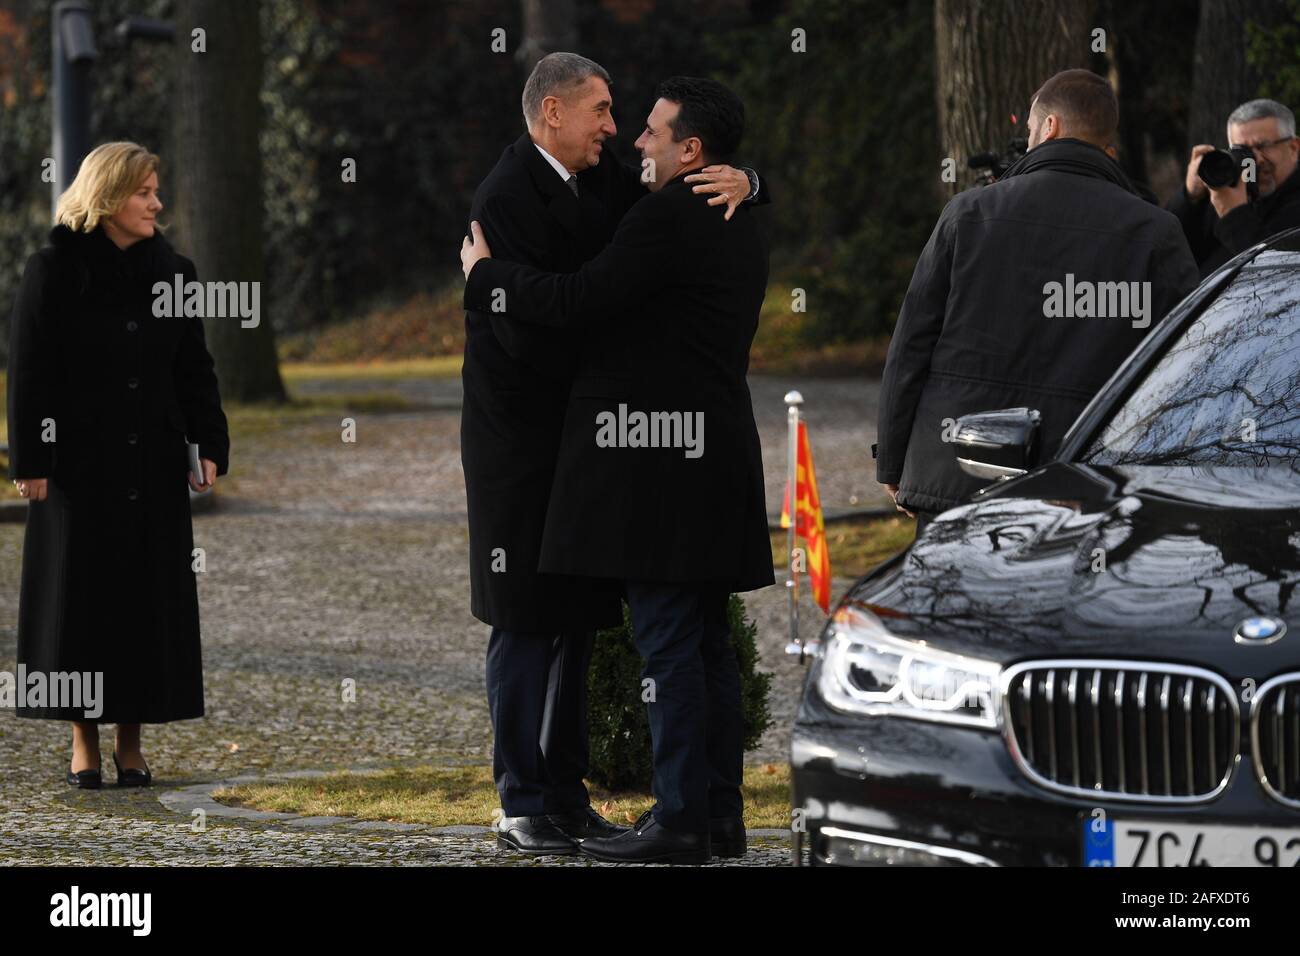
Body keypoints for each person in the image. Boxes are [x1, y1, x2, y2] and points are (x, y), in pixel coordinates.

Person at [462, 76, 772, 864]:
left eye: (650, 129)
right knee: (703, 642)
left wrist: (484, 280)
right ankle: (715, 816)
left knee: (671, 643)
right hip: (712, 453)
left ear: (692, 151)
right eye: (608, 114)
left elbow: (577, 301)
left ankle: (678, 821)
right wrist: (757, 179)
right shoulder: (739, 213)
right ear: (552, 111)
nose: (630, 136)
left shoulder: (667, 214)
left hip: (658, 473)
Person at [875, 69, 1199, 527]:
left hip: (962, 473)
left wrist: (894, 464)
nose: (1027, 140)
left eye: (1029, 129)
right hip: (1092, 484)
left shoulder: (968, 214)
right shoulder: (1155, 232)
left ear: (1049, 127)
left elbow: (910, 346)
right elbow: (1189, 360)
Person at [7, 141, 229, 788]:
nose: (157, 203)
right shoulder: (52, 270)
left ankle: (131, 742)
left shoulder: (176, 273)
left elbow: (195, 368)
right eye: (144, 193)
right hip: (78, 471)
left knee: (143, 603)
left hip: (153, 467)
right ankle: (84, 741)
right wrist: (32, 457)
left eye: (157, 191)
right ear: (107, 197)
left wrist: (209, 443)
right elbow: (29, 372)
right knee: (82, 602)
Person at [1168, 98, 1300, 277]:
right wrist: (1190, 196)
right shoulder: (1224, 193)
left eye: (1263, 146)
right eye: (1242, 150)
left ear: (1293, 147)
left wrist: (1234, 215)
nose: (1255, 160)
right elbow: (1169, 249)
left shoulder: (1229, 204)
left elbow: (1281, 274)